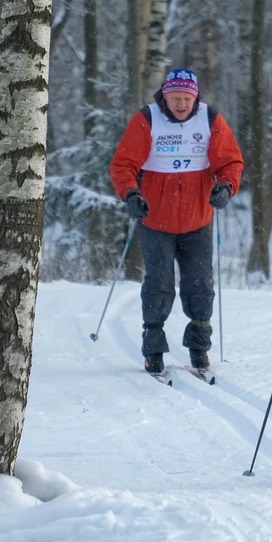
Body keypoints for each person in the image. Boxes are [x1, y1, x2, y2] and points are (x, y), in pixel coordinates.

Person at [110, 68, 244, 374]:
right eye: (175, 98)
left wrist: (225, 187)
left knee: (200, 284)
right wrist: (131, 195)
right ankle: (153, 347)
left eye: (186, 98)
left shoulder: (210, 120)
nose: (181, 104)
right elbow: (123, 164)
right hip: (155, 218)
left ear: (194, 98)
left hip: (198, 217)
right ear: (164, 96)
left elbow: (231, 162)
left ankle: (199, 346)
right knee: (159, 284)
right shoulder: (146, 120)